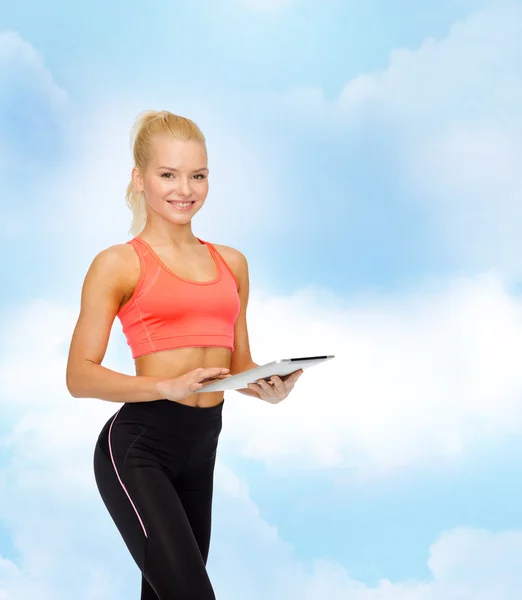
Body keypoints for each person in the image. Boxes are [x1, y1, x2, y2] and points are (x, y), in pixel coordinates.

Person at [65, 109, 303, 600]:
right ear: (139, 178)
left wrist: (268, 387)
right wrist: (164, 387)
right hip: (139, 447)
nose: (184, 189)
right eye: (168, 174)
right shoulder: (118, 263)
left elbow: (238, 366)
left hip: (202, 445)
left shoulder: (231, 262)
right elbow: (78, 376)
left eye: (197, 175)